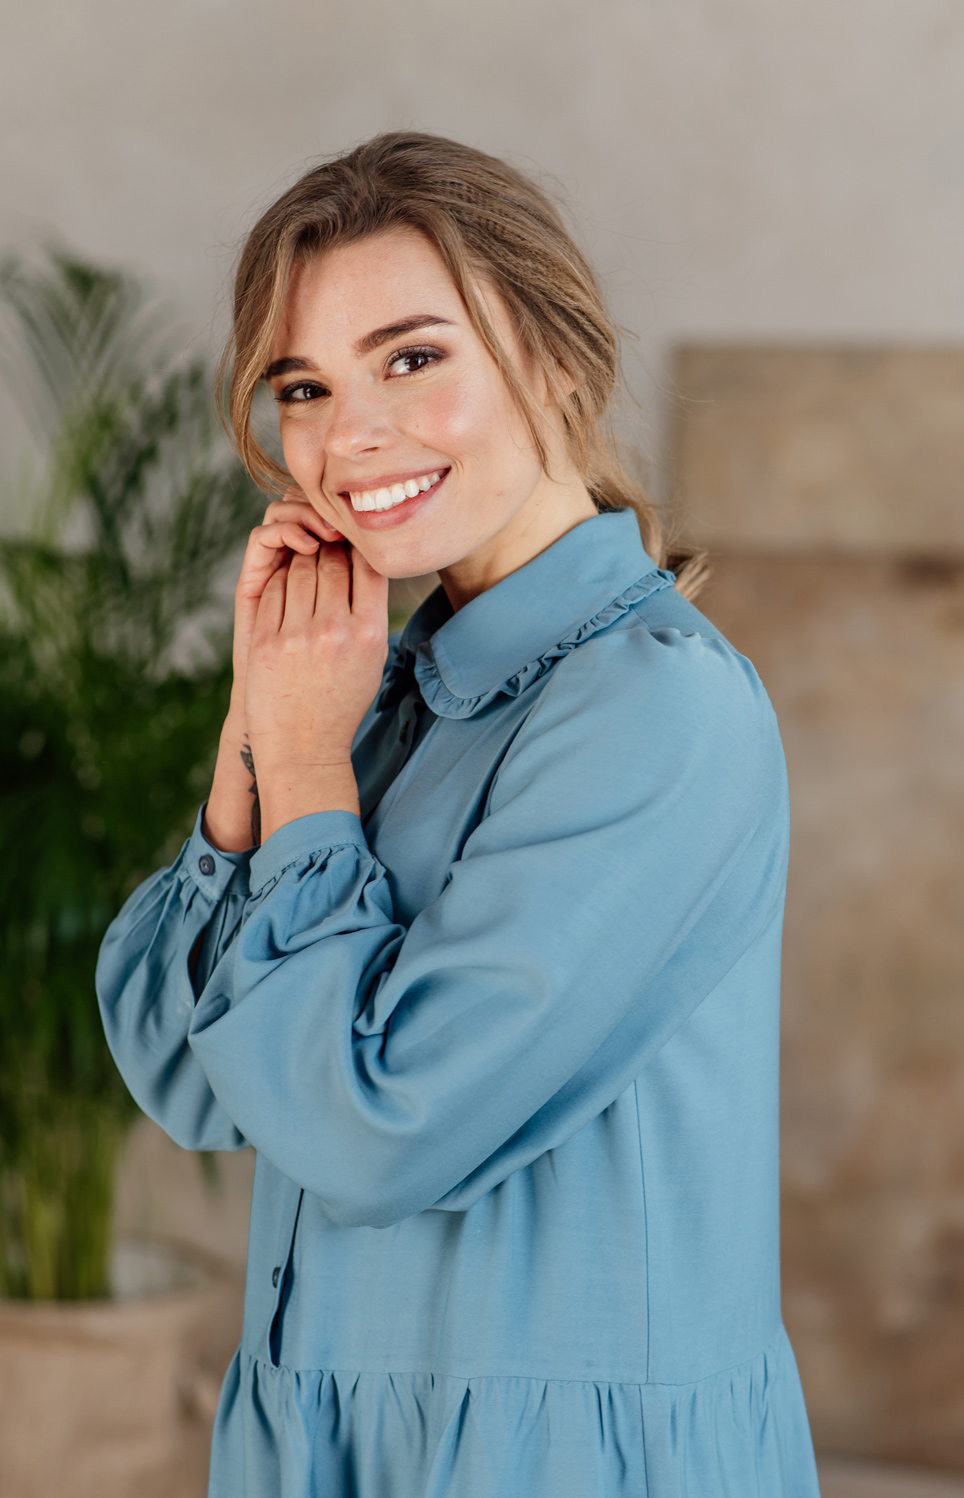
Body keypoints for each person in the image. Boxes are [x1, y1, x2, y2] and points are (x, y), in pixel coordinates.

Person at [97, 132, 820, 1497]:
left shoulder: (658, 712)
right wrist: (265, 736)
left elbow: (377, 1124)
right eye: (303, 385)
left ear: (554, 360)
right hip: (323, 1441)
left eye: (413, 357)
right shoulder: (385, 691)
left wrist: (311, 763)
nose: (348, 433)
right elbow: (184, 1072)